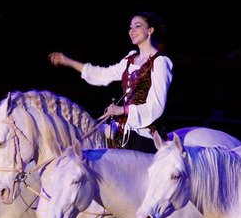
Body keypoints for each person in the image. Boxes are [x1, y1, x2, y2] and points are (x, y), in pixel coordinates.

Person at [49, 11, 173, 153]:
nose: (132, 31)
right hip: (121, 130)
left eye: (137, 26)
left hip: (144, 133)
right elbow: (103, 75)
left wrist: (123, 110)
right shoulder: (130, 58)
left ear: (150, 30)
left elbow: (157, 105)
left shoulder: (160, 62)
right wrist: (69, 62)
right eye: (130, 27)